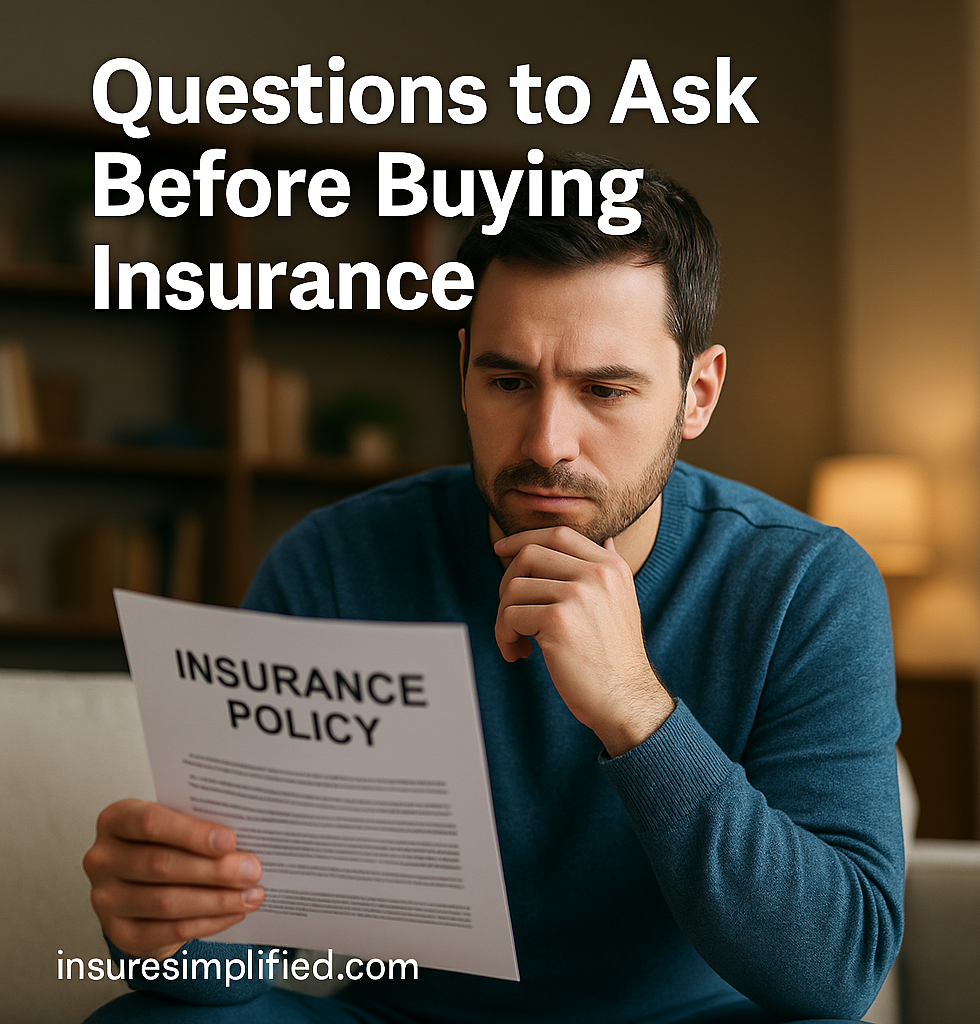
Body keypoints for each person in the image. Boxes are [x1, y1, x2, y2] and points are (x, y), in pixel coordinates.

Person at [82, 154, 904, 1024]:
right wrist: (167, 929)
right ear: (464, 368)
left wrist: (635, 707)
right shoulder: (334, 562)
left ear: (696, 393)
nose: (548, 442)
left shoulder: (806, 583)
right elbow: (235, 972)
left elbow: (836, 973)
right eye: (509, 381)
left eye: (605, 390)